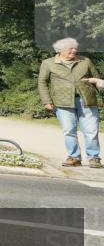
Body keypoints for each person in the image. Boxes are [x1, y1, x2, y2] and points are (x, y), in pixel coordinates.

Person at [38, 37, 103, 168]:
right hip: (62, 102)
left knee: (91, 130)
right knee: (69, 131)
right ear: (60, 50)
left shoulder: (85, 61)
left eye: (75, 49)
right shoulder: (48, 63)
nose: (74, 51)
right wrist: (46, 100)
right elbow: (42, 82)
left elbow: (96, 80)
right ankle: (74, 157)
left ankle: (94, 158)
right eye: (70, 49)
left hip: (87, 100)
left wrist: (101, 98)